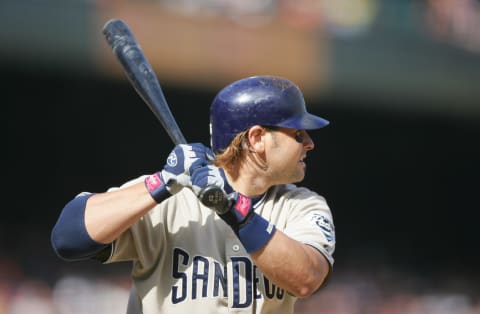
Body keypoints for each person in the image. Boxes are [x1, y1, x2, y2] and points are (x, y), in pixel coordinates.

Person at [51, 75, 336, 313]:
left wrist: (235, 208)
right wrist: (161, 182)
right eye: (298, 134)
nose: (309, 143)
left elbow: (306, 278)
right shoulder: (170, 197)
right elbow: (68, 238)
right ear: (257, 138)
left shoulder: (302, 206)